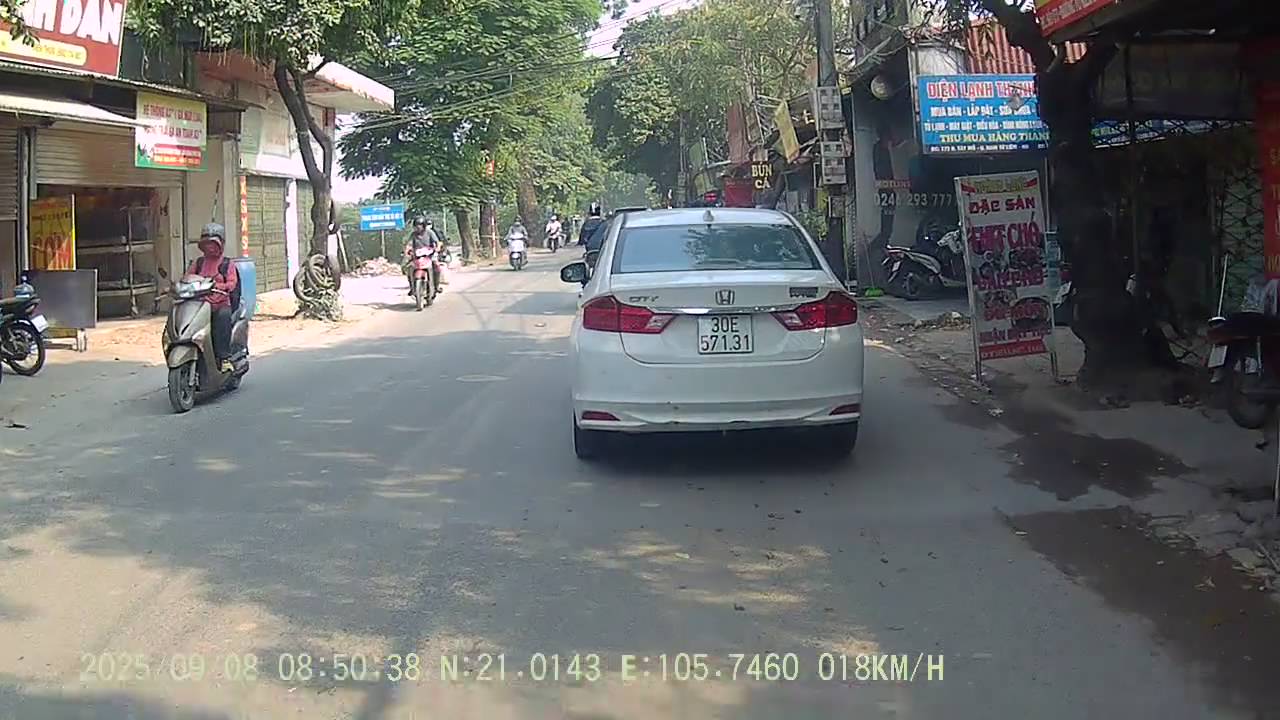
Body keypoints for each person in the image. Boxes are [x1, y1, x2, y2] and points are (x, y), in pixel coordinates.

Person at [189, 223, 239, 373]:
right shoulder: (198, 263)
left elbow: (232, 283)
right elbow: (188, 278)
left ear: (221, 244)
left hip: (220, 304)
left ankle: (225, 358)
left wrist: (219, 286)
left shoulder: (227, 264)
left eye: (213, 244)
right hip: (199, 305)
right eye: (207, 244)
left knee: (222, 318)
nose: (210, 247)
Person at [403, 216, 442, 296]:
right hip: (417, 256)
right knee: (409, 268)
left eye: (420, 225)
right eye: (417, 225)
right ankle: (412, 287)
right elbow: (409, 244)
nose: (418, 227)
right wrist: (407, 251)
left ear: (424, 225)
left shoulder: (430, 232)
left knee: (436, 265)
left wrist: (437, 248)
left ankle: (437, 285)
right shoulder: (413, 234)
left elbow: (437, 242)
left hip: (430, 255)